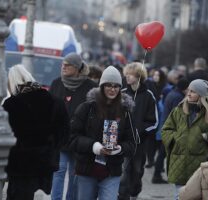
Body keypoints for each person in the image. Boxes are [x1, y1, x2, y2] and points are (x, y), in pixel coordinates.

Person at [68, 66, 136, 200]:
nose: (112, 89)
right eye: (109, 85)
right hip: (87, 169)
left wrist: (120, 149)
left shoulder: (125, 112)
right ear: (102, 86)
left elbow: (132, 143)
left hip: (112, 170)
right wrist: (94, 146)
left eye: (116, 86)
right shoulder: (87, 108)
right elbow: (72, 138)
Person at [3, 64, 69, 200]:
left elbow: (5, 134)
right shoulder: (55, 101)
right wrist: (52, 146)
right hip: (45, 162)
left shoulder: (11, 104)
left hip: (20, 164)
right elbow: (64, 131)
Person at [162, 79, 208, 199]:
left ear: (201, 95)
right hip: (179, 163)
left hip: (200, 165)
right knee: (179, 196)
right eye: (188, 90)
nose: (188, 93)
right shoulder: (178, 110)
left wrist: (206, 137)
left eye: (193, 91)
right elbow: (166, 130)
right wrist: (176, 139)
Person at [49, 52, 97, 200]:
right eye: (63, 64)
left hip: (79, 139)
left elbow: (94, 112)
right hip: (60, 138)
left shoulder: (90, 87)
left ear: (77, 68)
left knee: (75, 174)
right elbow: (49, 108)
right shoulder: (56, 83)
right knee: (58, 171)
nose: (63, 67)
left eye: (68, 65)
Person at [119, 62, 158, 200]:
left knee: (137, 172)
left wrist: (139, 131)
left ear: (139, 76)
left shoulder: (148, 95)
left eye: (131, 74)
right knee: (123, 172)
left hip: (139, 144)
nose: (127, 77)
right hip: (123, 143)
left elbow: (154, 122)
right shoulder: (122, 94)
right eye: (126, 74)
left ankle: (134, 194)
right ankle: (122, 197)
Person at [152, 78, 189, 184]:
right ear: (184, 89)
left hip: (165, 126)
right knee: (164, 153)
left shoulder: (172, 93)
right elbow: (177, 114)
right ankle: (157, 175)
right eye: (188, 89)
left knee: (163, 153)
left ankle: (157, 174)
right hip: (170, 129)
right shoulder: (178, 97)